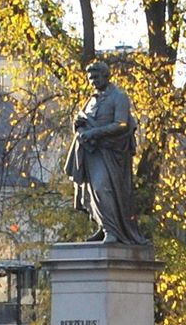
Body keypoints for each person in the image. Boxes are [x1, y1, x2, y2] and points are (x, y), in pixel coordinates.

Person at [63, 60, 150, 245]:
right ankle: (103, 227)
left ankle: (114, 230)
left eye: (96, 77)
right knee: (92, 192)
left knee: (103, 188)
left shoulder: (119, 97)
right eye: (90, 78)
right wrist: (77, 126)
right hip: (90, 152)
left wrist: (95, 132)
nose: (93, 81)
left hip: (111, 152)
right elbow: (83, 120)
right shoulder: (91, 100)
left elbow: (122, 124)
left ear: (106, 76)